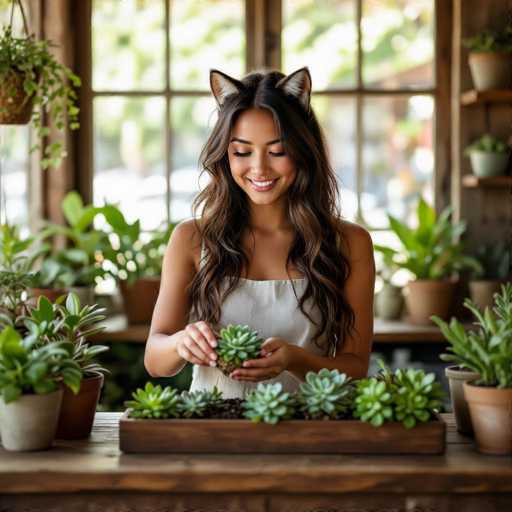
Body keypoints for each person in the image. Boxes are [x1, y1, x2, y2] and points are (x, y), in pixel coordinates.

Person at [144, 67, 375, 398]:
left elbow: (357, 367)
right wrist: (182, 343)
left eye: (277, 151)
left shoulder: (350, 243)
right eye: (242, 151)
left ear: (303, 151)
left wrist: (296, 359)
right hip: (211, 431)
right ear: (225, 154)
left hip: (313, 431)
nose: (259, 168)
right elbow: (155, 359)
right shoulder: (191, 239)